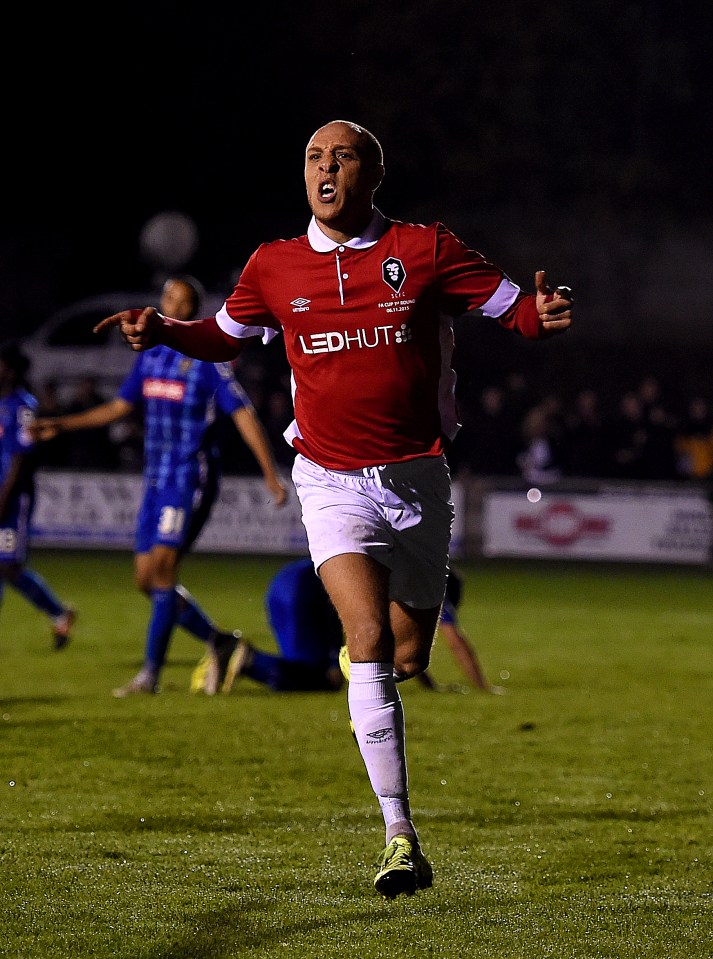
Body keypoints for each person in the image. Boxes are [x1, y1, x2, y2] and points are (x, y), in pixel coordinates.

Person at [95, 120, 573, 897]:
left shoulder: (425, 250)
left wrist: (542, 310)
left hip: (417, 479)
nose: (324, 168)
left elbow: (513, 305)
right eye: (313, 157)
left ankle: (365, 676)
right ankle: (398, 833)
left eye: (341, 156)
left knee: (406, 656)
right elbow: (223, 335)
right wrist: (165, 333)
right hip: (326, 478)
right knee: (368, 634)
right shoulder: (273, 264)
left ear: (373, 172)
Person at [31, 275, 288, 697]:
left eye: (177, 299)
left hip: (190, 480)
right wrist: (61, 424)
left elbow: (242, 414)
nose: (167, 303)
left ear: (192, 310)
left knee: (164, 572)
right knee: (145, 580)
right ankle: (220, 642)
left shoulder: (207, 360)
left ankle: (149, 676)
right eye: (166, 296)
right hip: (155, 480)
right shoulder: (150, 356)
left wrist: (270, 474)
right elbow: (118, 407)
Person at [0, 343, 76, 648]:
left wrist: (3, 498)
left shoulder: (23, 406)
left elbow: (20, 457)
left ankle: (60, 613)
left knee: (9, 567)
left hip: (12, 498)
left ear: (11, 370)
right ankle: (60, 614)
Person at [190, 556, 344, 694]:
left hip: (283, 584)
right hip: (304, 591)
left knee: (302, 668)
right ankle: (249, 659)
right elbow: (336, 607)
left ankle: (231, 655)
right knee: (320, 678)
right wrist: (333, 659)